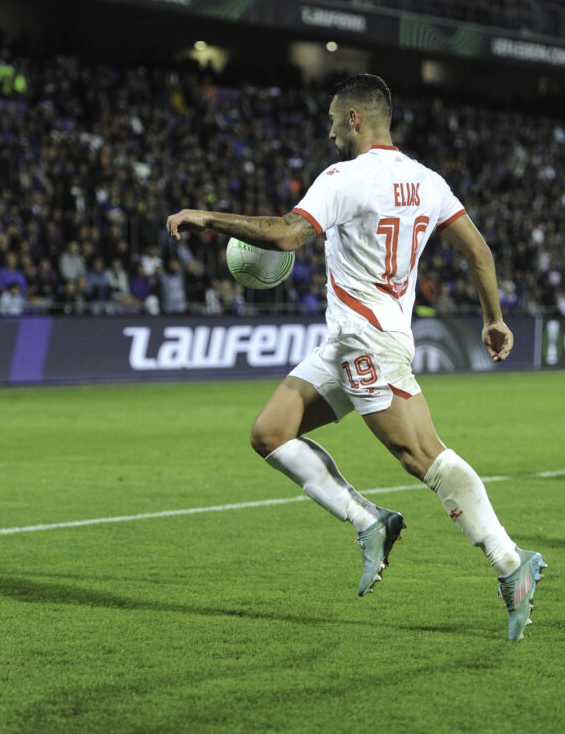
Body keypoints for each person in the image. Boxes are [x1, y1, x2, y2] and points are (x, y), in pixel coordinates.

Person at [166, 74, 545, 640]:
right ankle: (370, 521)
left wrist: (208, 217)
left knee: (423, 457)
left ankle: (511, 562)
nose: (328, 130)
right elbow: (479, 252)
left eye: (330, 119)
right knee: (271, 433)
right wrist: (493, 316)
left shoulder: (342, 178)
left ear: (353, 119)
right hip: (352, 341)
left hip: (369, 340)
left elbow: (290, 235)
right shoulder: (427, 180)